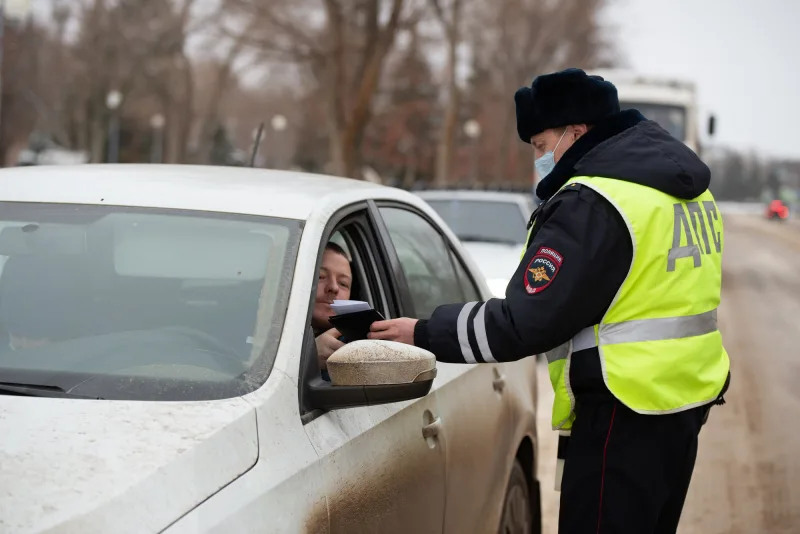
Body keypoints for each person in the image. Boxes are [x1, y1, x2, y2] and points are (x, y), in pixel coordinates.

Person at [368, 68, 730, 534]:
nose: (538, 160)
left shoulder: (593, 202)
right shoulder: (688, 193)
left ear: (575, 132)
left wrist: (421, 333)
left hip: (622, 410)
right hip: (681, 404)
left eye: (540, 146)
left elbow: (523, 322)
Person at [312, 242, 351, 378]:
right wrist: (308, 356)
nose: (334, 288)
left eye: (343, 284)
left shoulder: (358, 347)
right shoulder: (258, 333)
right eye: (320, 276)